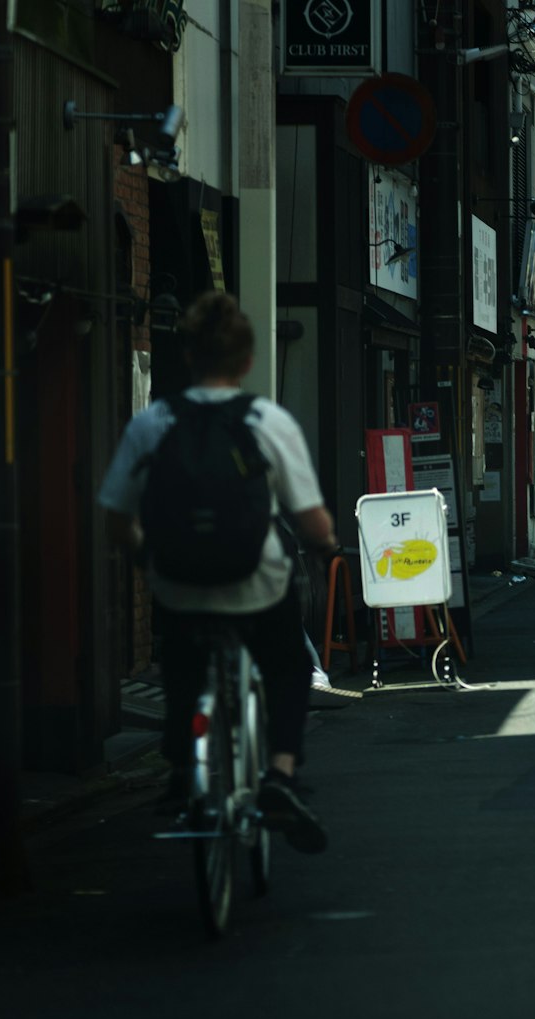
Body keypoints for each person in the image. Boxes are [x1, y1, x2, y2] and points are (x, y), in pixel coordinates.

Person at [98, 291, 338, 854]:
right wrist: (327, 546)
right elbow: (310, 518)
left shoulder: (154, 421)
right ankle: (278, 774)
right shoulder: (266, 421)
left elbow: (114, 514)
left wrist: (144, 555)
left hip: (179, 581)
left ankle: (185, 766)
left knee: (182, 660)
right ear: (247, 361)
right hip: (256, 580)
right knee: (286, 666)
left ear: (189, 357)